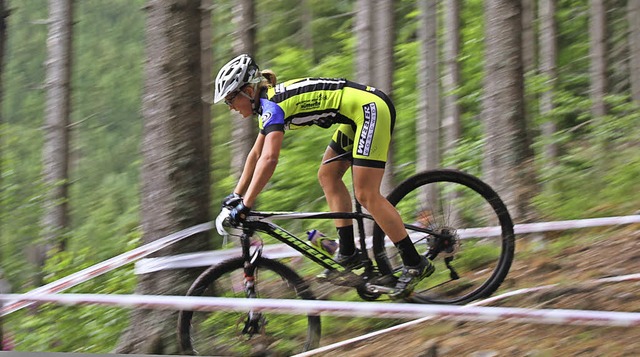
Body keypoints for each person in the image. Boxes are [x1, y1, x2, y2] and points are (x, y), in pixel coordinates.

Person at [214, 54, 433, 298]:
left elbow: (269, 159)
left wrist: (247, 203)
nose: (231, 107)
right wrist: (236, 195)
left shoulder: (272, 106)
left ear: (246, 91)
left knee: (365, 193)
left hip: (371, 109)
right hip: (355, 115)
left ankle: (415, 263)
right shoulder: (267, 104)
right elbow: (255, 154)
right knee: (328, 175)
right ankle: (349, 252)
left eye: (231, 100)